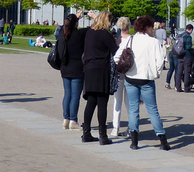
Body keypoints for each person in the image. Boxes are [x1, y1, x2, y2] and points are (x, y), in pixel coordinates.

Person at [122, 15, 172, 149]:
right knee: (152, 109)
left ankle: (134, 141)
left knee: (133, 109)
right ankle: (162, 139)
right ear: (147, 27)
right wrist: (155, 73)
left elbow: (120, 56)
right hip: (146, 78)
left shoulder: (130, 40)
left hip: (131, 76)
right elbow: (160, 60)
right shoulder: (154, 42)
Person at [79, 12, 118, 144]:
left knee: (91, 101)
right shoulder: (105, 34)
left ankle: (86, 132)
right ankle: (103, 135)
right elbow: (115, 50)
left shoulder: (90, 33)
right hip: (101, 69)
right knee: (102, 103)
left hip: (89, 68)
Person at [57, 13, 86, 130]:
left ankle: (66, 118)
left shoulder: (63, 34)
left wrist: (75, 18)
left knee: (67, 94)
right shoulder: (79, 35)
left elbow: (64, 26)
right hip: (77, 69)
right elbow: (93, 28)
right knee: (75, 96)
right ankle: (73, 120)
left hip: (65, 68)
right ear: (76, 23)